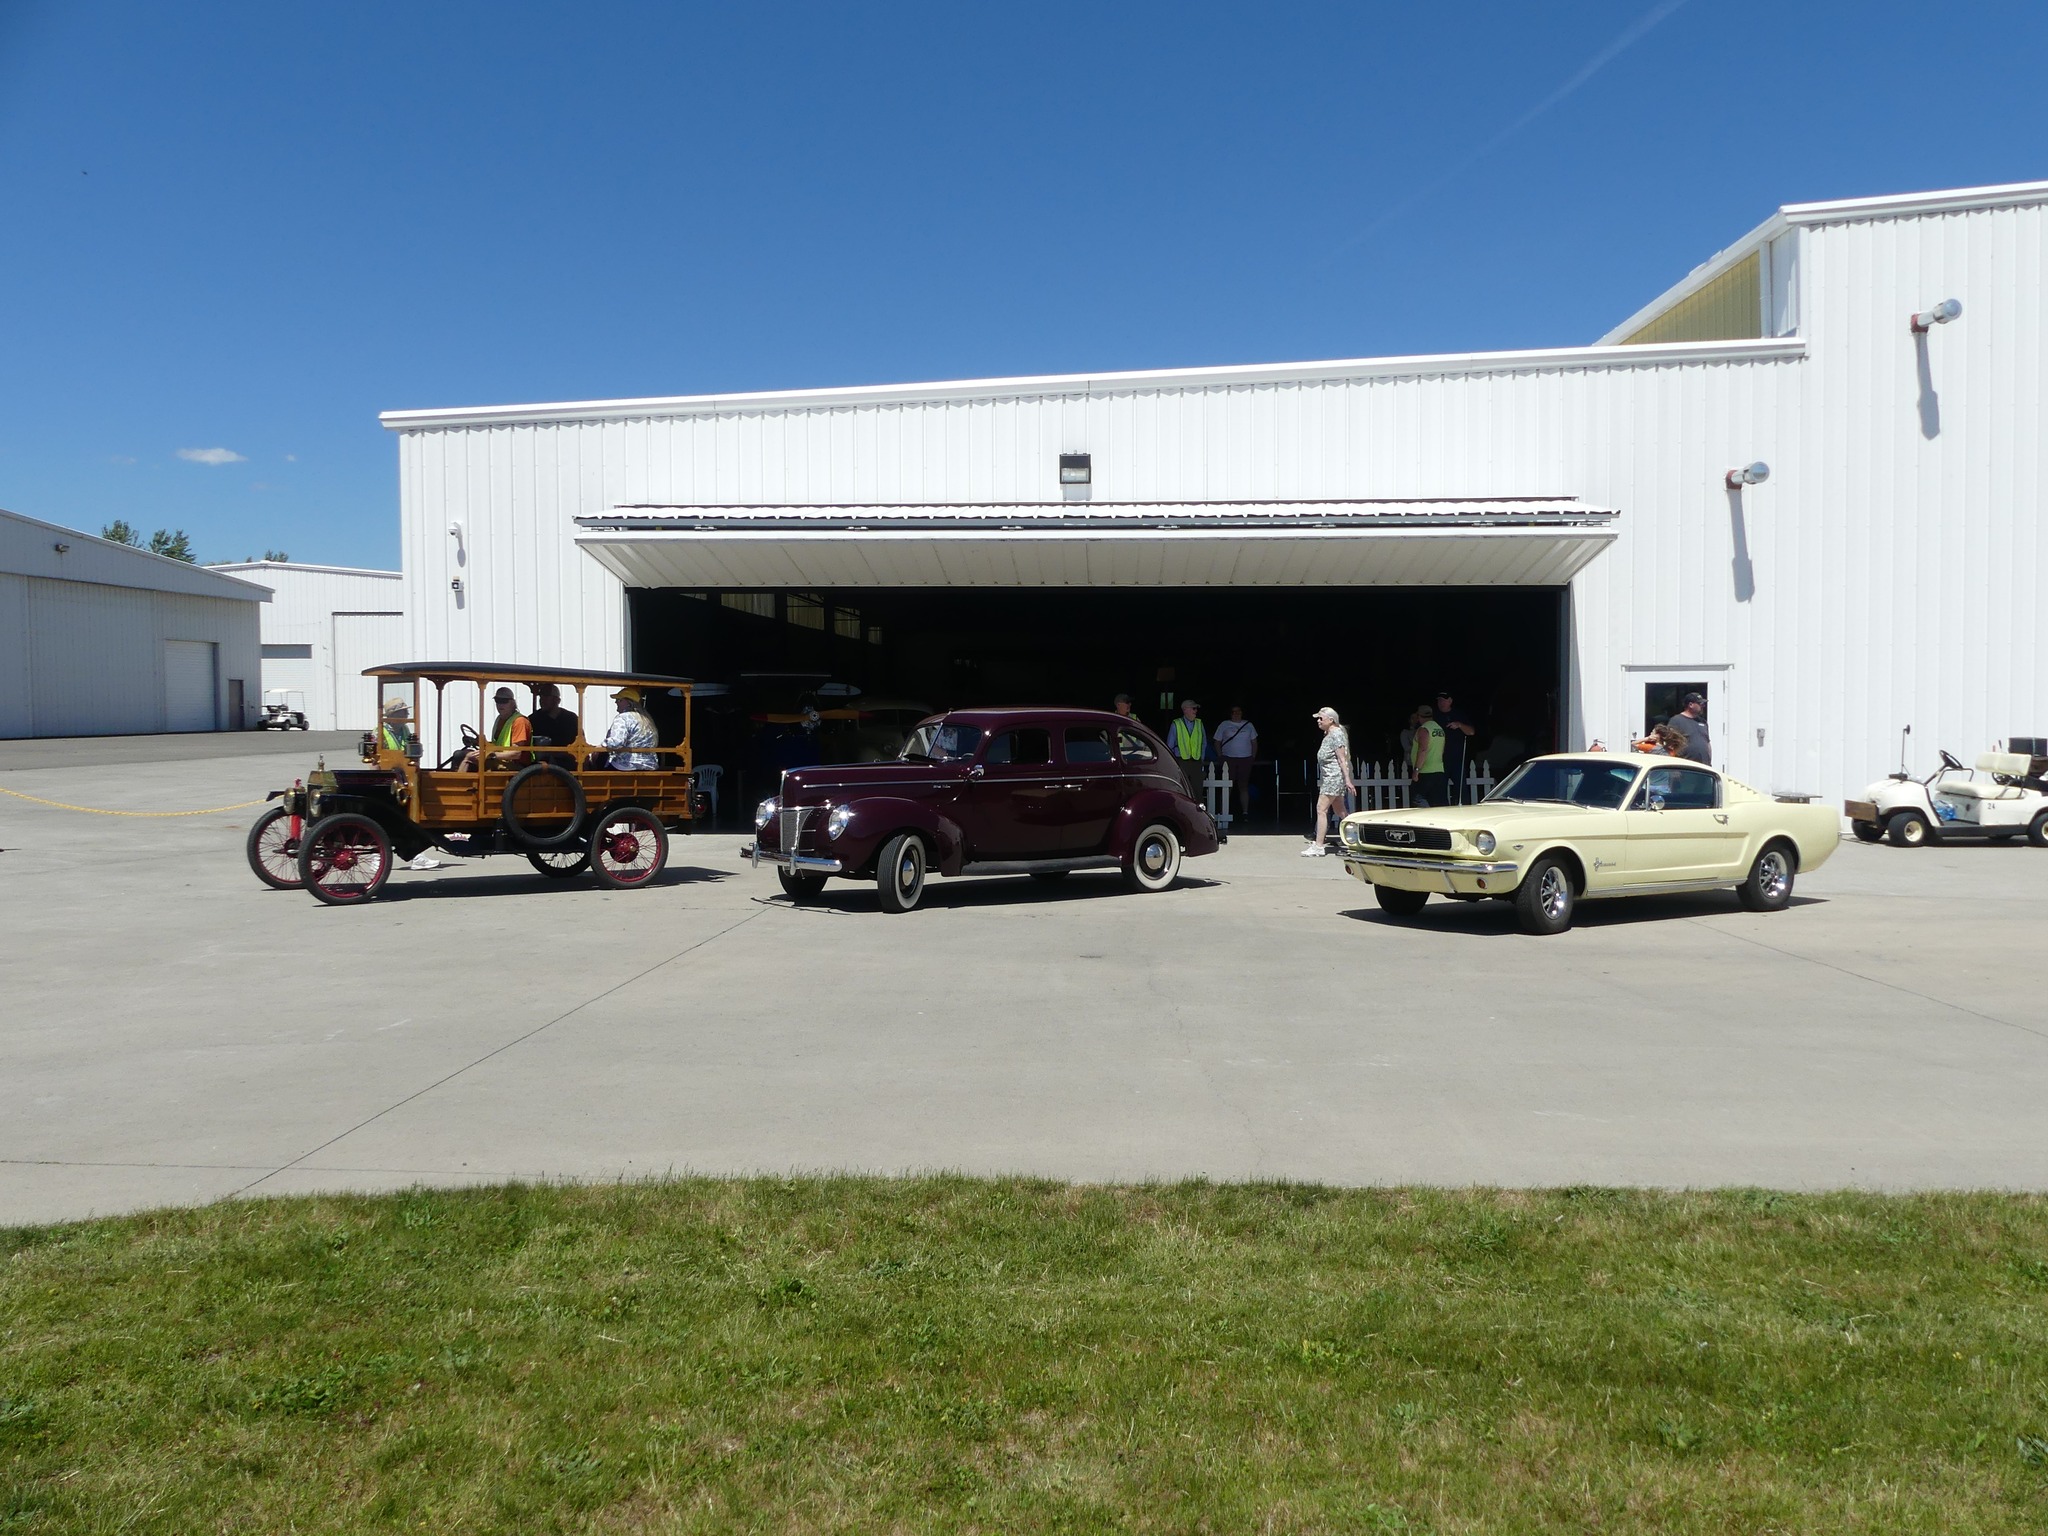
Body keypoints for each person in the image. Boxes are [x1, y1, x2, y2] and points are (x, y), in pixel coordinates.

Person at [1304, 706, 1356, 856]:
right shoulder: (1329, 734)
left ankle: (1319, 846)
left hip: (1334, 778)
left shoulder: (1336, 734)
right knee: (1341, 811)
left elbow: (1342, 759)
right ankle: (1356, 838)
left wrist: (1347, 780)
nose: (1318, 721)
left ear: (1331, 720)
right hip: (1330, 777)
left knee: (1321, 809)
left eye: (1321, 718)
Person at [1214, 704, 1258, 820]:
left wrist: (1252, 757)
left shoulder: (1249, 725)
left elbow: (1254, 742)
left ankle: (1245, 812)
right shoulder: (1224, 725)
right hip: (1229, 758)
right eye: (1233, 712)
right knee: (1227, 786)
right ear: (1230, 714)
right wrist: (1220, 757)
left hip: (1245, 758)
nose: (1236, 713)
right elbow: (1217, 741)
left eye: (1238, 711)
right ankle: (1224, 811)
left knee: (1243, 786)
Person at [1433, 689, 1477, 805]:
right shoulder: (1435, 716)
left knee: (1461, 789)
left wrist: (1459, 724)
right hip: (1440, 759)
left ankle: (1464, 810)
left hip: (1457, 758)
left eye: (1444, 700)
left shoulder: (1459, 714)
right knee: (1440, 790)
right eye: (1439, 701)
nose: (1441, 703)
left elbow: (1471, 732)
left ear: (1450, 701)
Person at [602, 685, 660, 769]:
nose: (616, 702)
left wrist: (602, 744)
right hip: (649, 765)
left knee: (598, 761)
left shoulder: (623, 717)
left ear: (629, 703)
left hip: (627, 764)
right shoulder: (646, 719)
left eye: (619, 700)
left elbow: (616, 742)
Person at [528, 682, 581, 764]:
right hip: (541, 764)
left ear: (557, 700)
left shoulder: (571, 718)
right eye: (541, 696)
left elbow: (580, 742)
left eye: (546, 697)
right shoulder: (533, 718)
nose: (542, 700)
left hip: (566, 763)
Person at [1169, 698, 1209, 800]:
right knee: (1182, 791)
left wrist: (1201, 758)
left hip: (1196, 762)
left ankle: (1198, 814)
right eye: (1194, 708)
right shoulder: (1176, 724)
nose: (1196, 711)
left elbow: (1203, 742)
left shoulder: (1199, 723)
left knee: (1198, 792)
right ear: (1185, 710)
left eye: (1196, 709)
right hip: (1182, 762)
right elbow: (1170, 745)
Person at [1410, 703, 1448, 807]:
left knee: (1418, 803)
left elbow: (1423, 749)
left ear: (1419, 716)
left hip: (1425, 772)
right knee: (1438, 806)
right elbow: (1442, 749)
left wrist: (1416, 771)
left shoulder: (1424, 729)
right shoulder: (1439, 729)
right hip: (1439, 771)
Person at [1666, 692, 1712, 764]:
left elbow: (1707, 743)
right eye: (1700, 704)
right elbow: (1669, 743)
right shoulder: (1676, 721)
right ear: (1690, 705)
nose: (1703, 706)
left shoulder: (1703, 722)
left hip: (1704, 766)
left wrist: (1709, 761)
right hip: (1686, 767)